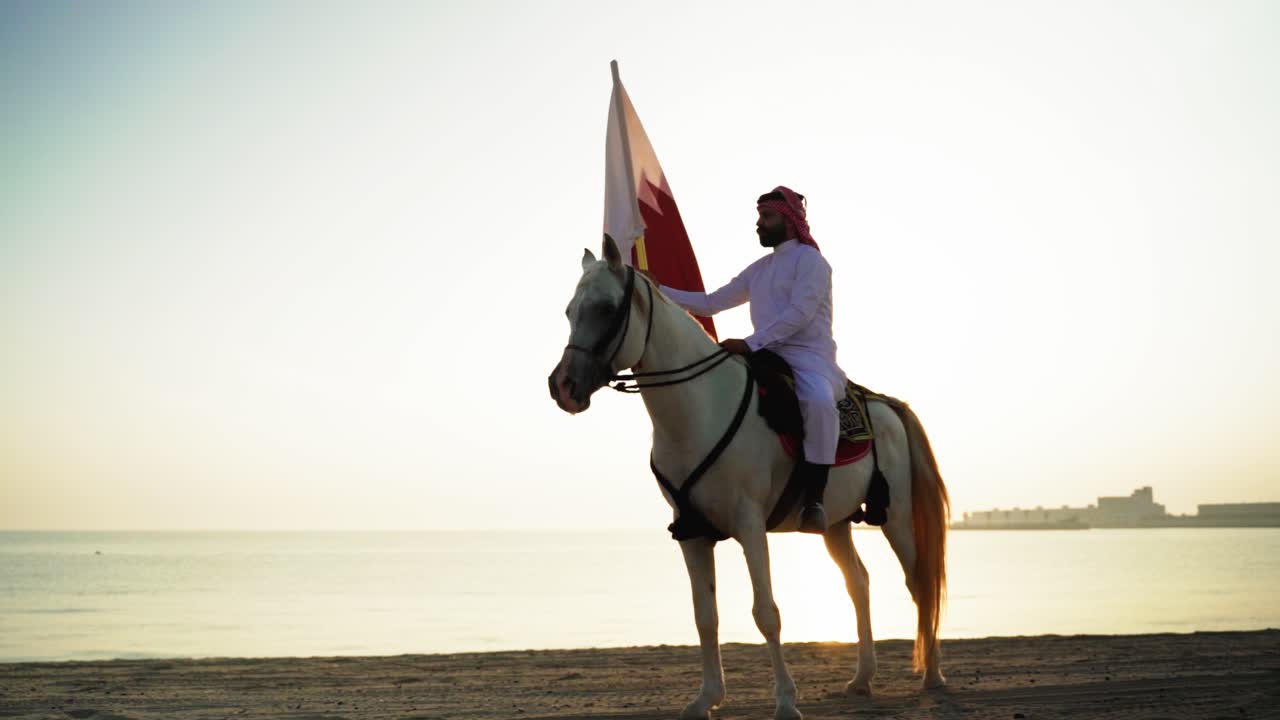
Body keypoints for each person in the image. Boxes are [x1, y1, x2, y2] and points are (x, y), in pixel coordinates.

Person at [652, 186, 846, 534]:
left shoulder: (813, 263)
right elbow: (711, 303)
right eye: (759, 216)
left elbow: (799, 314)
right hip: (766, 355)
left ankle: (814, 498)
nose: (759, 224)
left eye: (767, 217)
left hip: (809, 360)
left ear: (789, 221)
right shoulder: (759, 269)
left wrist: (750, 342)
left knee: (817, 401)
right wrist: (657, 290)